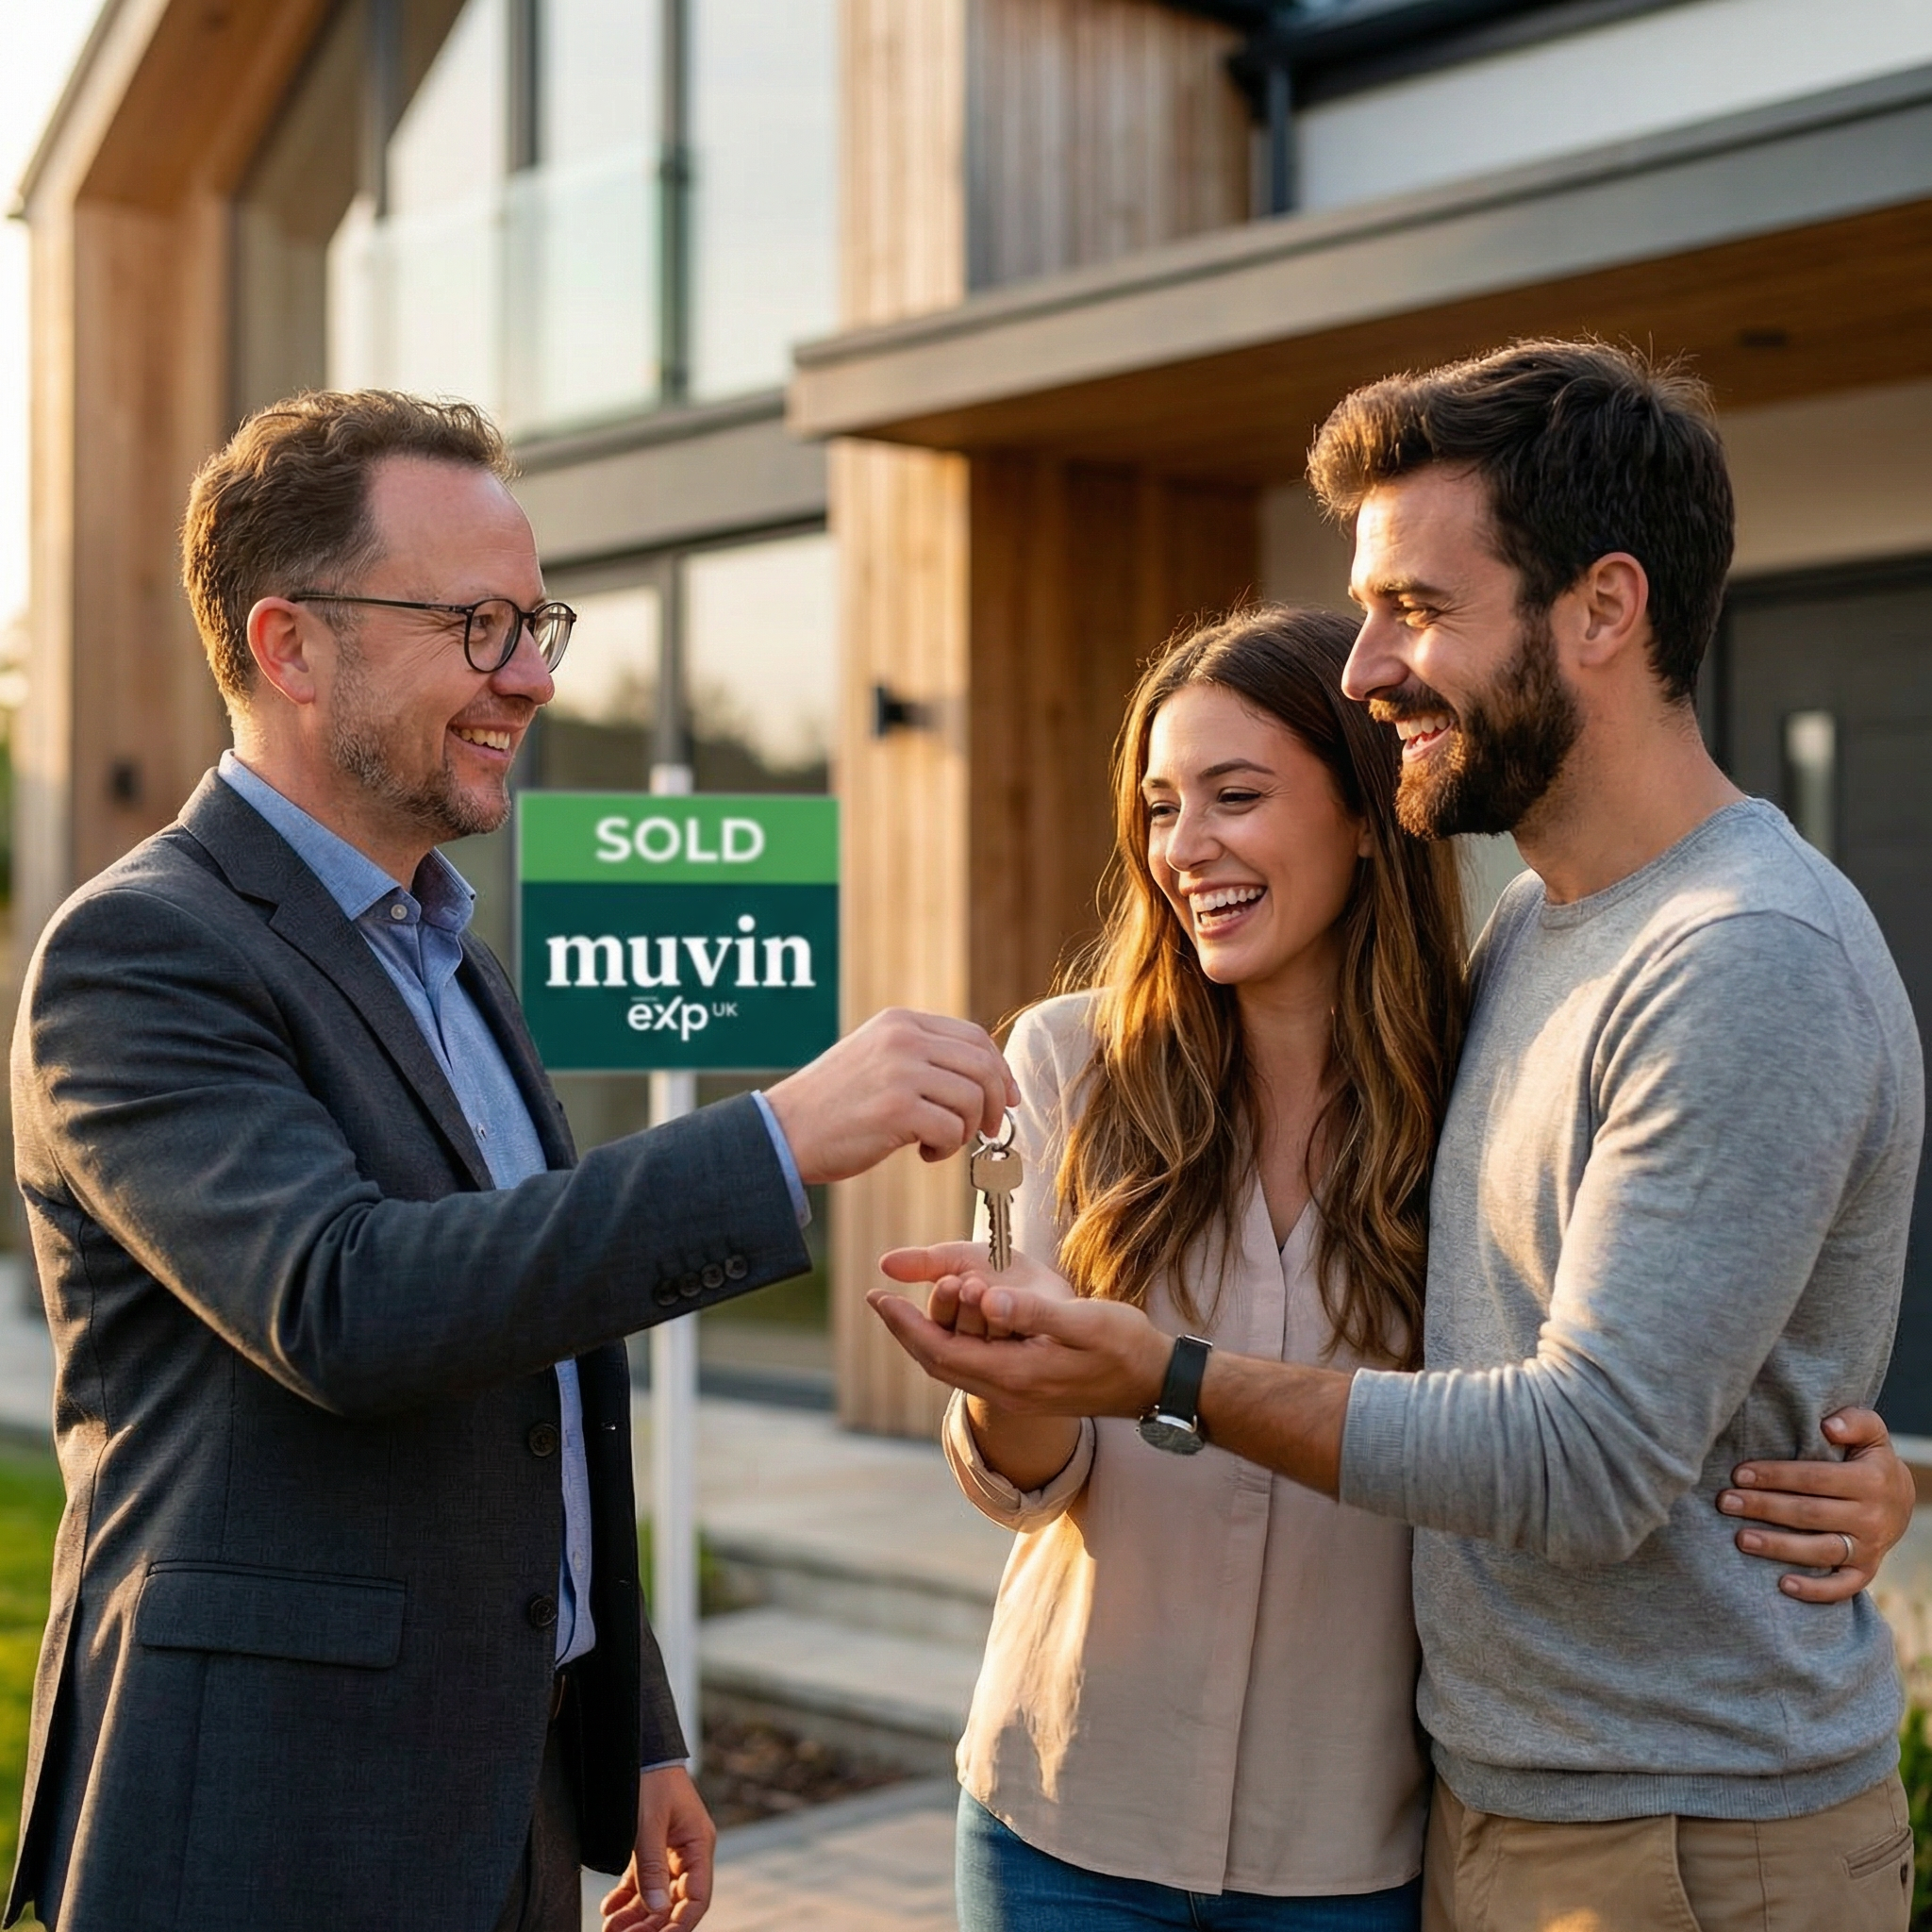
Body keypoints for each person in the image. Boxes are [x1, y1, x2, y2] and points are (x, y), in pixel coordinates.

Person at [875, 341, 1924, 1932]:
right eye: (1367, 614)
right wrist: (1858, 1462)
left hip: (1675, 1833)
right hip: (1487, 1811)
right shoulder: (1528, 951)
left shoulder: (1739, 954)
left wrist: (1162, 1377)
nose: (1372, 667)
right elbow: (1668, 1368)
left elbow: (1589, 1458)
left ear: (1602, 609)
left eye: (1417, 609)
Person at [6, 390, 1016, 1932]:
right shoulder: (140, 954)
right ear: (291, 646)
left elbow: (536, 1389)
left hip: (516, 1801)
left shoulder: (456, 960)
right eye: (478, 626)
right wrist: (776, 1138)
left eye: (538, 620)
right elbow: (346, 1305)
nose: (534, 676)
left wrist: (630, 1723)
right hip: (272, 1817)